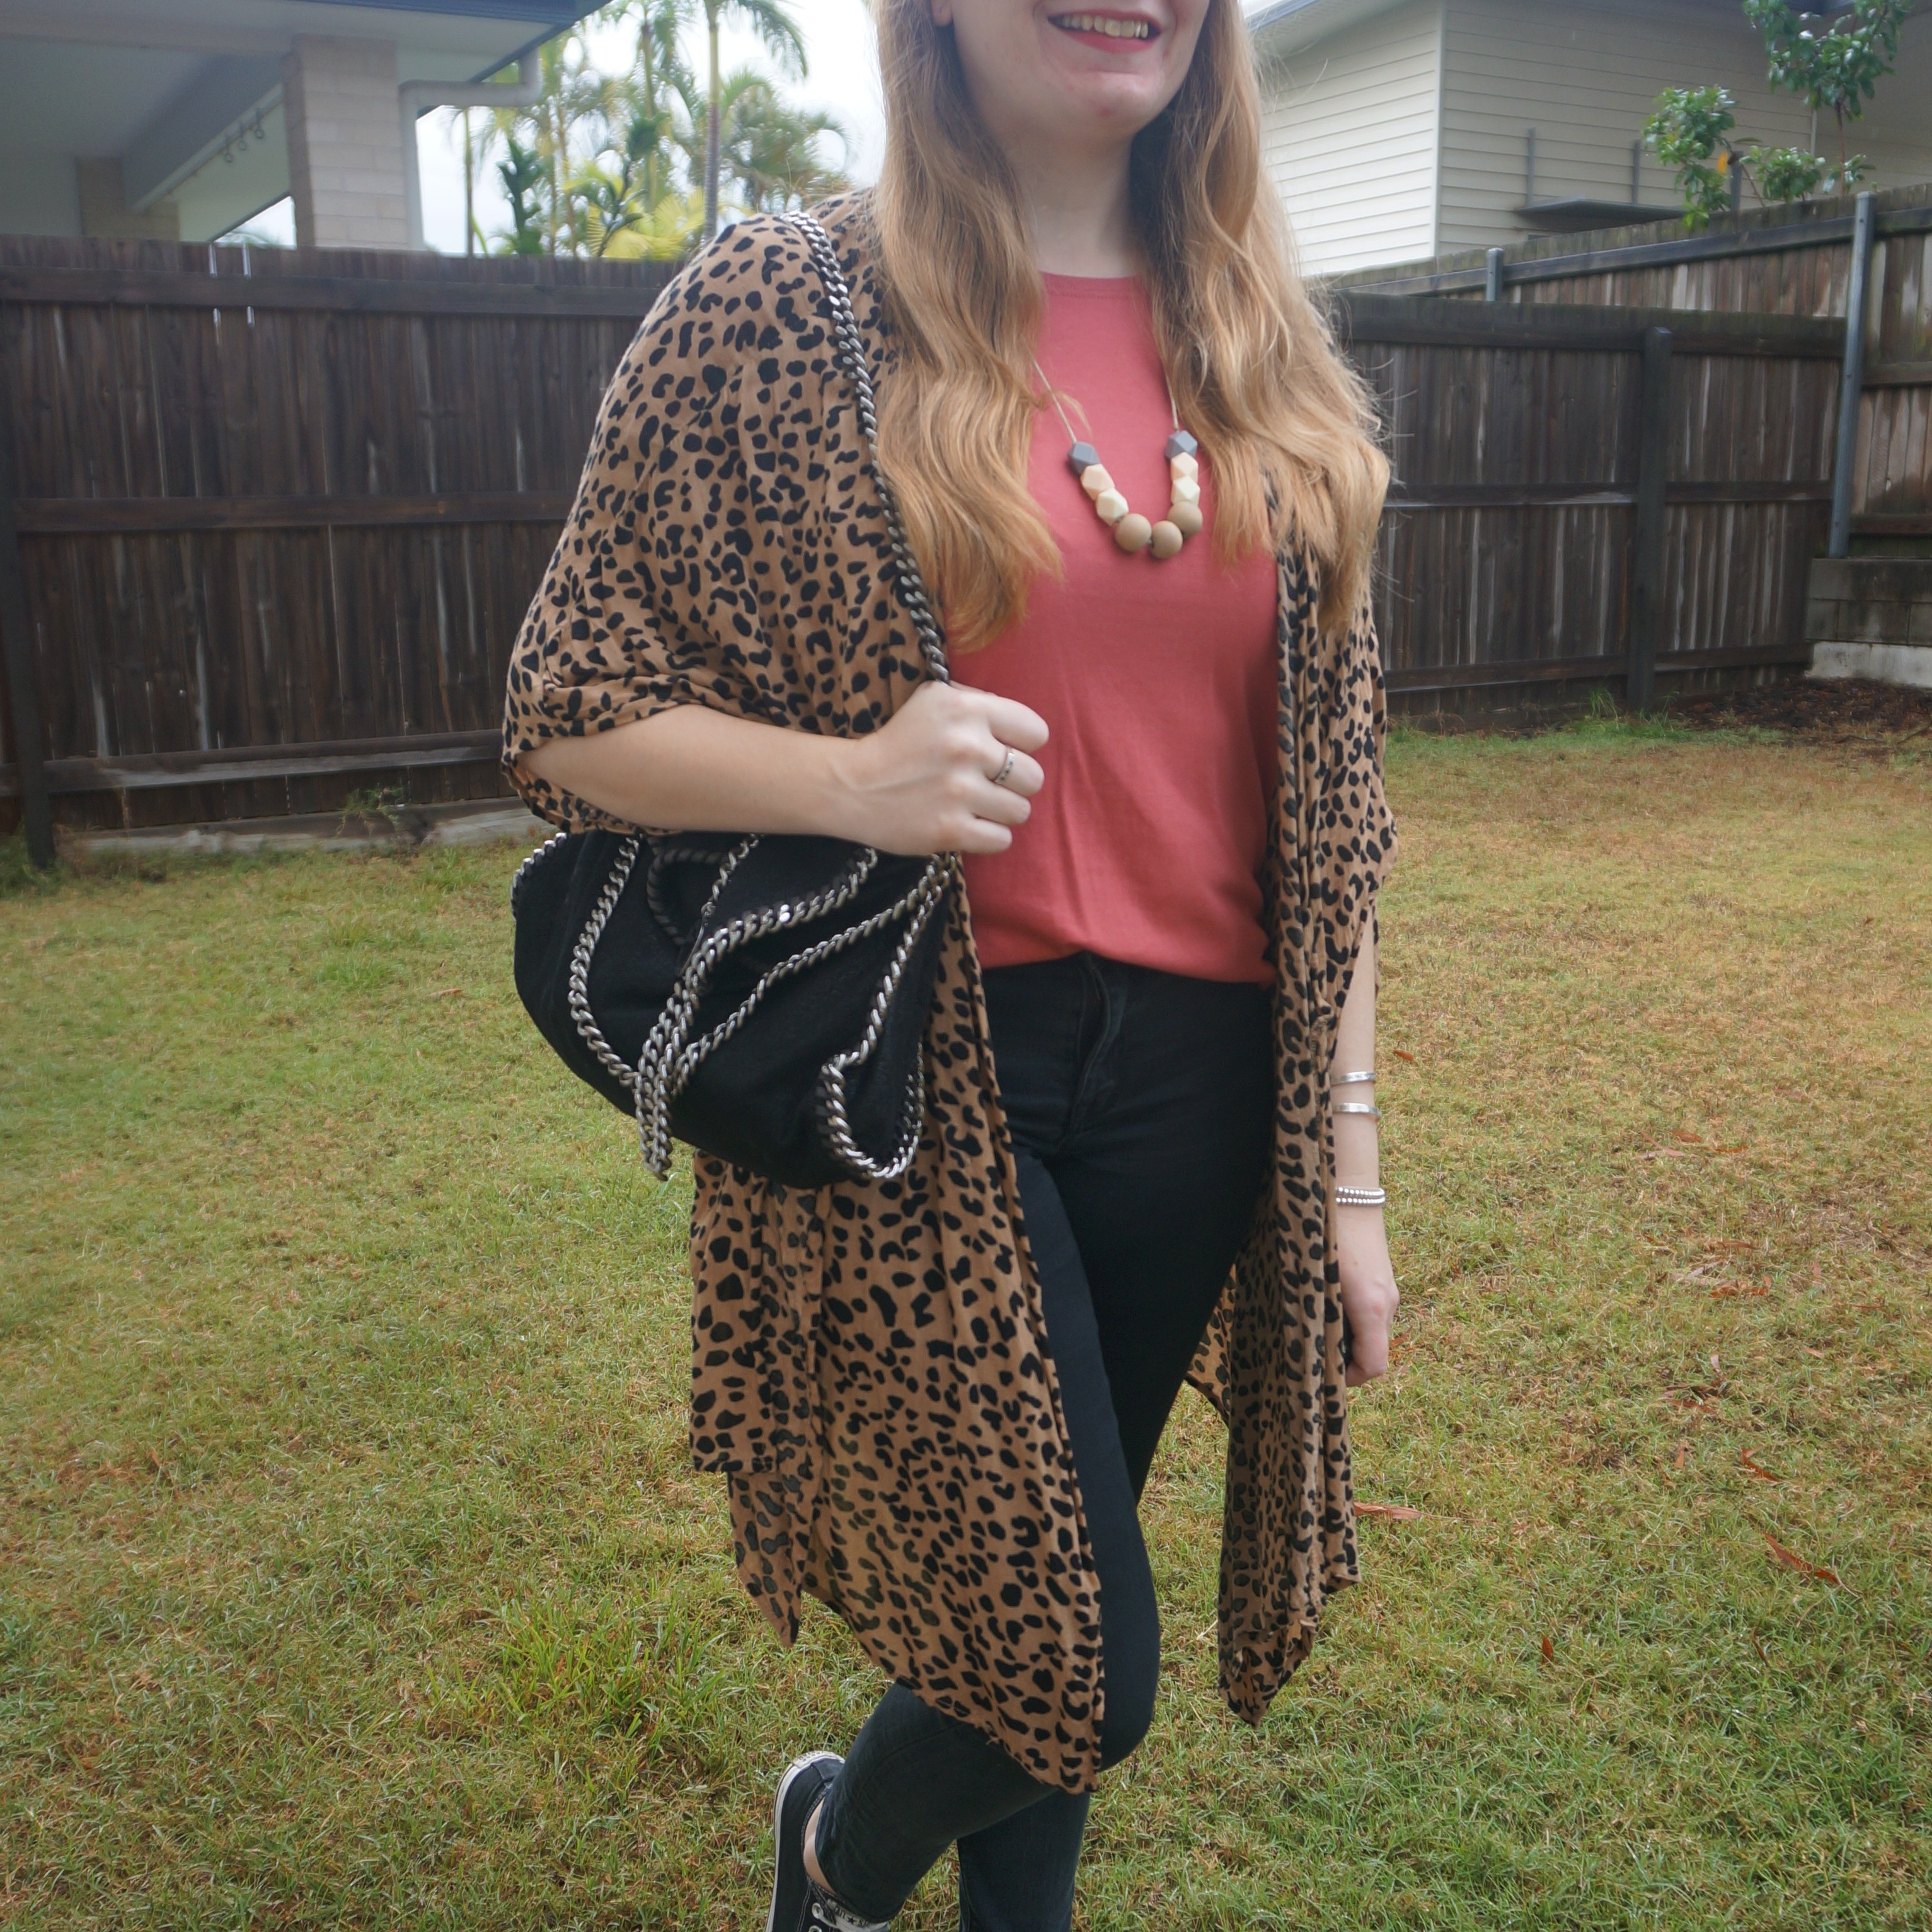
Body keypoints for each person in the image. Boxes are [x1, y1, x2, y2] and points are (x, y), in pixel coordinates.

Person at [501, 0, 1398, 1924]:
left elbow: (1337, 828)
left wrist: (1348, 1174)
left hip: (1204, 1079)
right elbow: (562, 712)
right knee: (1077, 1651)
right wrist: (854, 777)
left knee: (1032, 1595)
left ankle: (854, 1873)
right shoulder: (784, 306)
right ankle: (835, 1847)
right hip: (921, 1081)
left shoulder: (1261, 352)